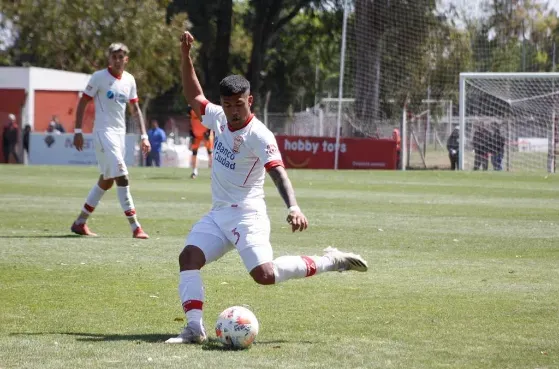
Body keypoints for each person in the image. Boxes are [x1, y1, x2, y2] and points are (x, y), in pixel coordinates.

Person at [165, 31, 368, 345]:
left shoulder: (259, 135)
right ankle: (193, 329)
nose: (233, 110)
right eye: (228, 104)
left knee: (264, 276)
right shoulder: (217, 118)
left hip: (249, 216)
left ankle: (333, 261)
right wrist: (185, 55)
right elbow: (194, 96)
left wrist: (293, 207)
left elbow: (279, 174)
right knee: (188, 258)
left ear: (250, 101)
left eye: (239, 104)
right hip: (219, 216)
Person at [70, 42, 150, 239]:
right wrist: (78, 130)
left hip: (119, 135)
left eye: (120, 56)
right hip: (103, 133)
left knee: (106, 181)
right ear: (109, 59)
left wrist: (144, 135)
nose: (117, 59)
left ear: (126, 59)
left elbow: (135, 109)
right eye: (113, 56)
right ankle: (135, 227)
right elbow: (83, 102)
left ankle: (80, 222)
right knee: (122, 175)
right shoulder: (99, 77)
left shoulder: (130, 80)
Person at [188, 105, 213, 178]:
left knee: (210, 152)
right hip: (196, 135)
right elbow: (190, 122)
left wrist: (208, 131)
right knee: (194, 152)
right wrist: (191, 134)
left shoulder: (205, 110)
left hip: (206, 134)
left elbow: (211, 120)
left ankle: (213, 171)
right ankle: (194, 171)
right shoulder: (191, 111)